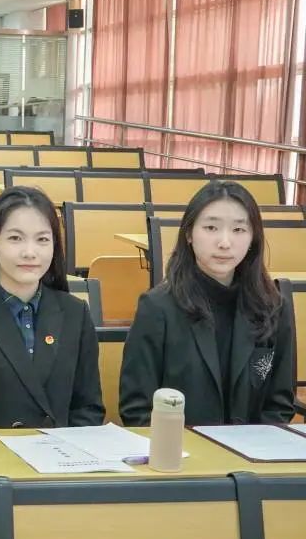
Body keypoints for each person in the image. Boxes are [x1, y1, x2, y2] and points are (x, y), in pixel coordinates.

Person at [120, 181, 294, 426]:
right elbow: (137, 409)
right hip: (179, 447)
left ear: (253, 238)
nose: (225, 243)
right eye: (211, 227)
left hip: (253, 448)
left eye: (239, 229)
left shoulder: (274, 307)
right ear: (189, 234)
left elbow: (279, 405)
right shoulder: (157, 307)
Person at [0, 186, 103, 429]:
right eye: (15, 238)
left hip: (62, 452)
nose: (29, 252)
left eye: (42, 239)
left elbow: (88, 408)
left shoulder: (76, 313)